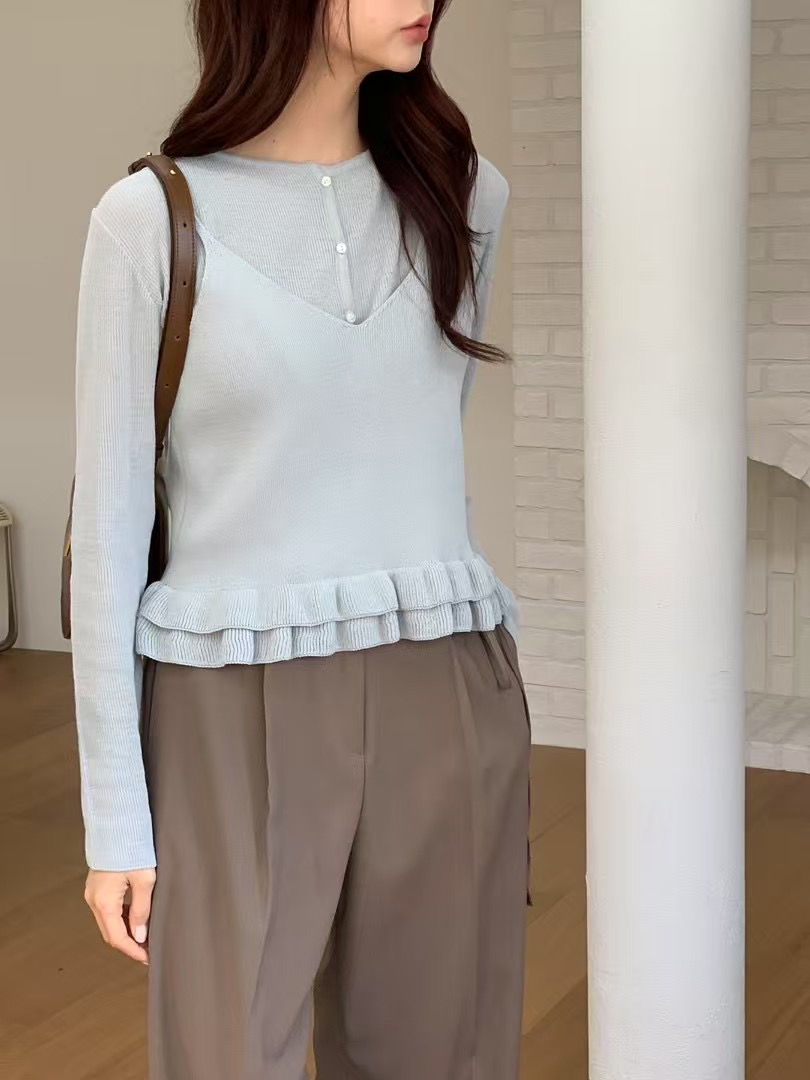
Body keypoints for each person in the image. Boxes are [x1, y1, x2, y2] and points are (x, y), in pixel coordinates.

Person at [70, 1, 532, 1076]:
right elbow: (107, 538)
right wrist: (116, 823)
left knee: (442, 1054)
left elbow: (421, 452)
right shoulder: (148, 222)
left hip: (444, 681)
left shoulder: (466, 195)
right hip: (228, 703)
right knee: (227, 1053)